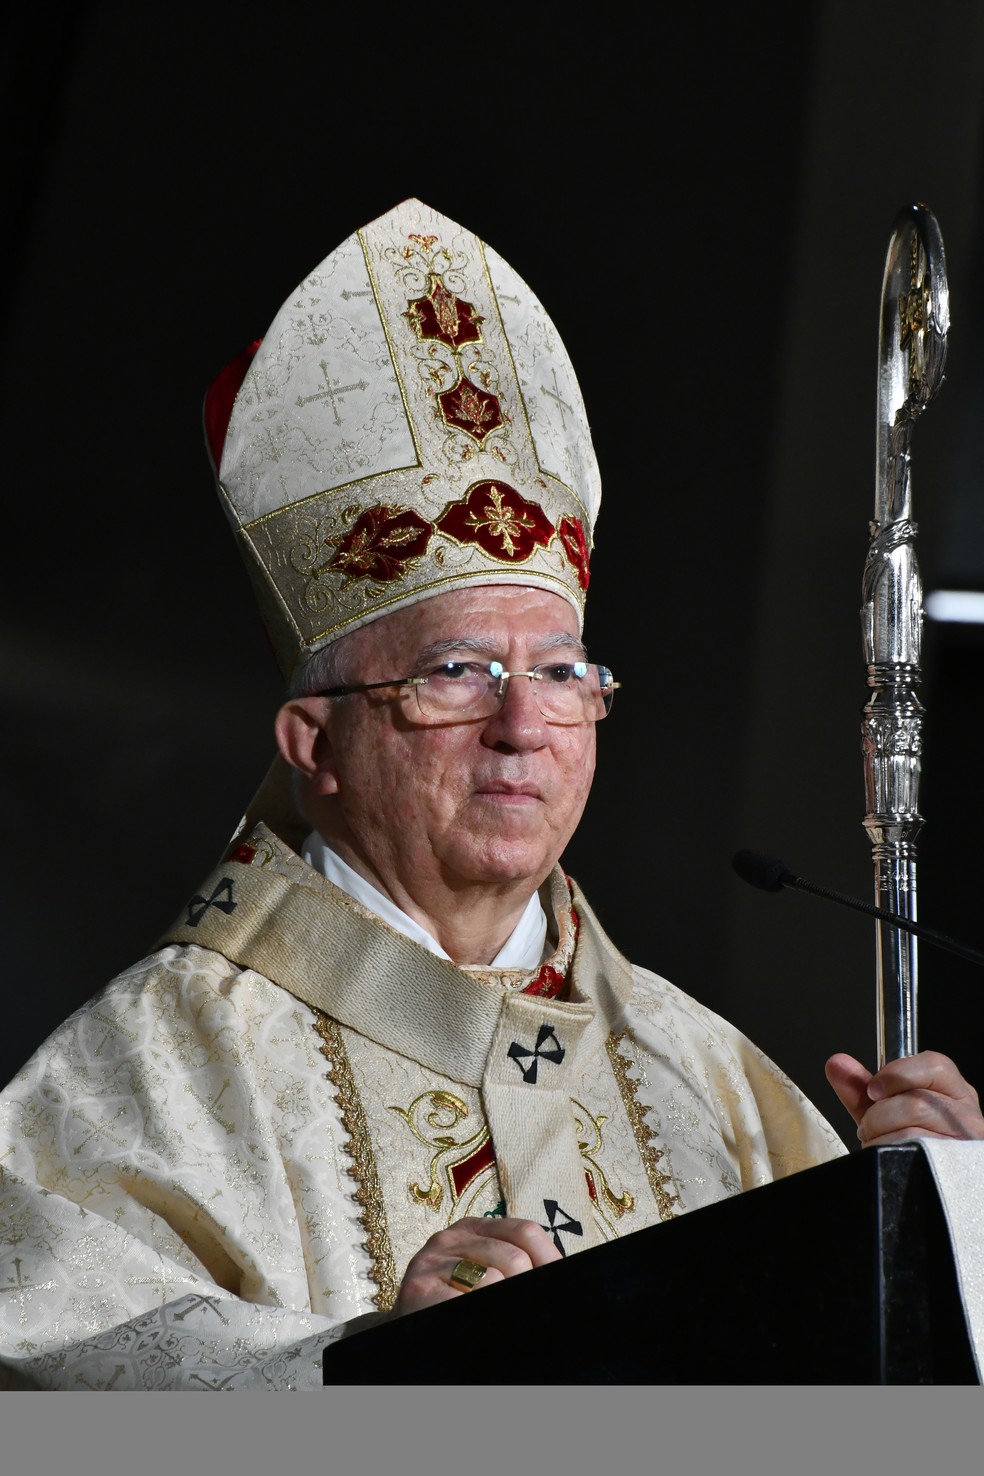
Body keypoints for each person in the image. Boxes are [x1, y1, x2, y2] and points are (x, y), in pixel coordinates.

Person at [1, 200, 981, 1392]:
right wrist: (366, 1376)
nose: (525, 725)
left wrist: (923, 1233)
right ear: (316, 744)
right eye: (457, 672)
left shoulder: (708, 1078)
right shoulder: (151, 1074)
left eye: (565, 673)